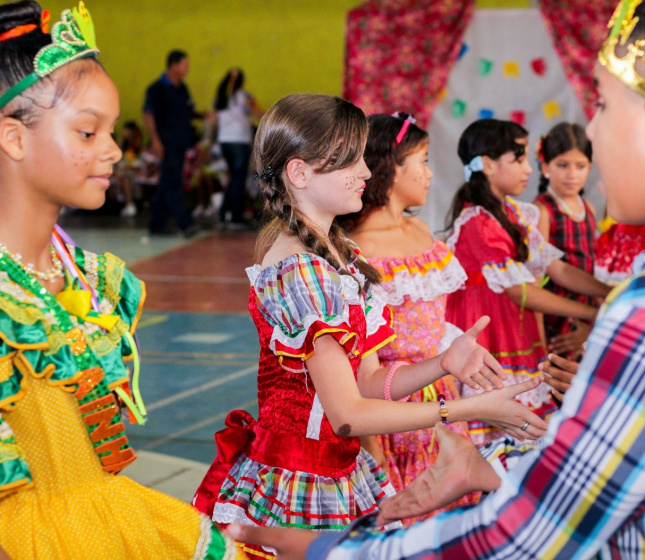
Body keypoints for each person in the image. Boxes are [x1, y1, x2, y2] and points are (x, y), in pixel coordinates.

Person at [227, 1, 645, 557]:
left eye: (603, 105)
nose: (594, 131)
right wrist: (486, 469)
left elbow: (527, 533)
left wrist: (327, 551)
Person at [191, 94, 548, 559]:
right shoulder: (302, 270)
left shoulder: (335, 255)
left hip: (335, 469)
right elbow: (348, 415)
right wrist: (463, 410)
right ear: (299, 174)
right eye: (350, 161)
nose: (365, 171)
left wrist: (443, 363)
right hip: (301, 476)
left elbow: (369, 380)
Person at [0, 2, 244, 558]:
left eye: (110, 129)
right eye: (88, 132)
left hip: (112, 521)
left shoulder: (87, 277)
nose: (112, 150)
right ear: (13, 138)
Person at [336, 113, 480, 524]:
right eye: (423, 161)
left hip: (440, 398)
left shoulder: (421, 233)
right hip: (391, 410)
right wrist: (373, 451)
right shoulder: (359, 248)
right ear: (391, 168)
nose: (431, 174)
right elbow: (356, 369)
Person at [444, 118, 611, 445]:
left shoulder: (514, 214)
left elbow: (557, 268)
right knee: (497, 433)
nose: (528, 169)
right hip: (490, 340)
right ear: (489, 165)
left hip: (515, 333)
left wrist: (612, 292)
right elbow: (521, 292)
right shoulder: (478, 220)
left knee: (525, 427)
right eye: (518, 159)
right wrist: (591, 313)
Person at [533, 122, 598, 358]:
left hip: (588, 318)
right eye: (562, 165)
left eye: (580, 166)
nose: (572, 174)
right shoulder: (542, 210)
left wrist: (593, 322)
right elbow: (535, 283)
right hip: (557, 322)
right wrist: (538, 344)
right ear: (545, 166)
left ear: (589, 168)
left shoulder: (588, 208)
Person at [143, 49, 201, 236]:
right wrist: (155, 141)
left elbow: (188, 111)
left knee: (166, 184)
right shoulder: (157, 89)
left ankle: (156, 225)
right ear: (174, 65)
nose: (188, 69)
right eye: (185, 64)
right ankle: (186, 224)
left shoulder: (182, 89)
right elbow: (148, 114)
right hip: (166, 144)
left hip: (180, 144)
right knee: (173, 184)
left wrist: (204, 115)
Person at [214, 67, 264, 227]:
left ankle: (223, 212)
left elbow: (214, 120)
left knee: (234, 178)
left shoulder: (220, 98)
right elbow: (257, 112)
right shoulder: (244, 97)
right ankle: (235, 215)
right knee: (238, 178)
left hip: (224, 141)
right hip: (239, 141)